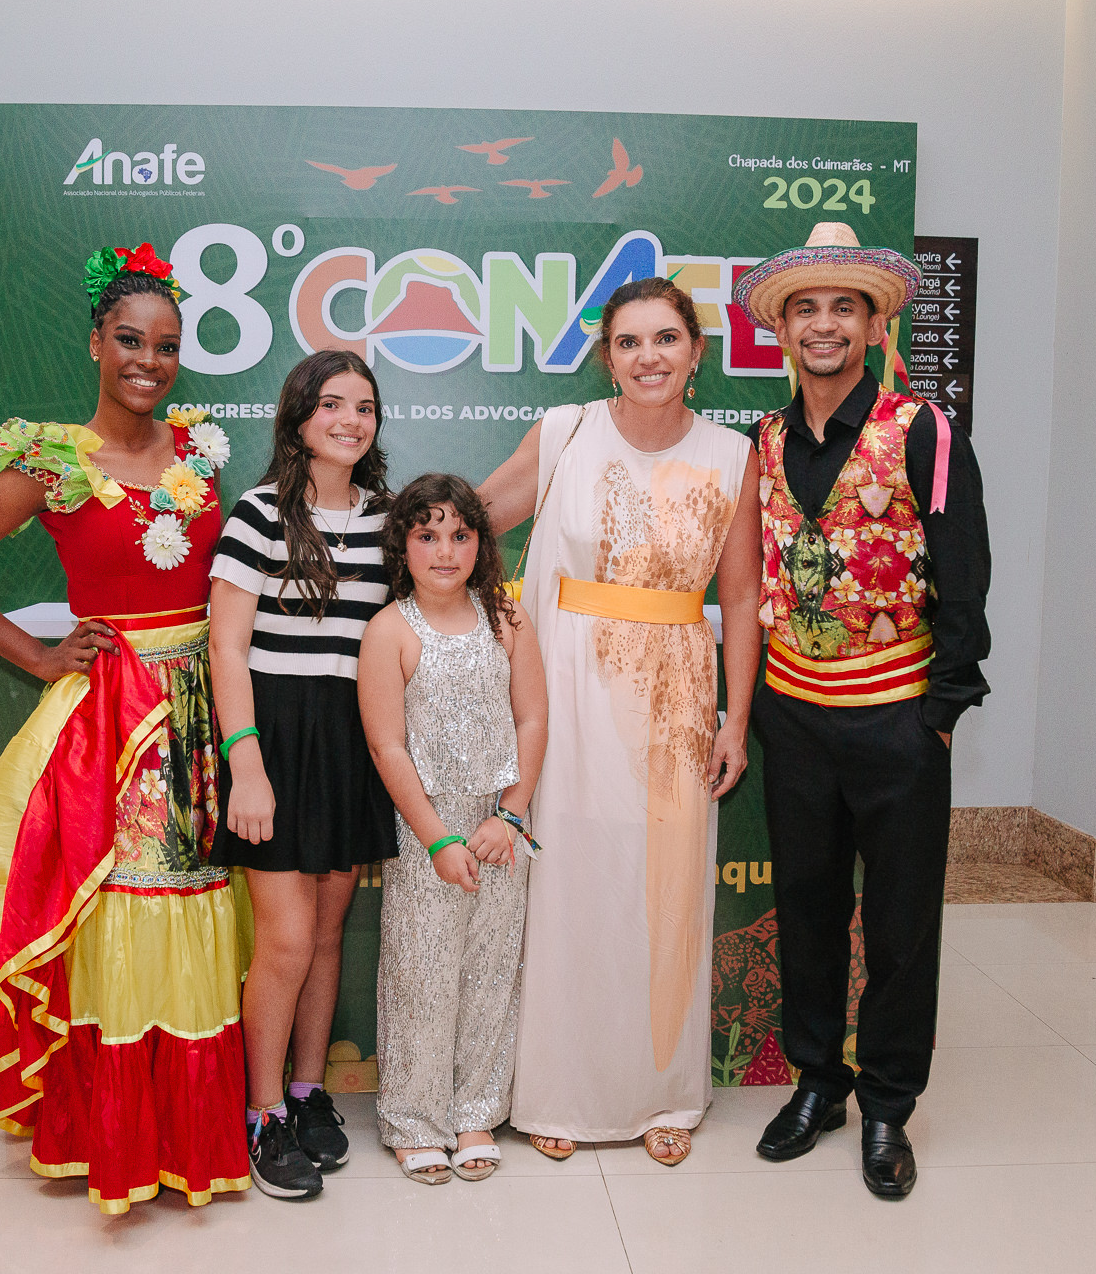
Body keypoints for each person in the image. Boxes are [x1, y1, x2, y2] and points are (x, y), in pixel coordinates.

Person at [0, 242, 245, 1213]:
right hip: (110, 715)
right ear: (97, 343)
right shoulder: (52, 462)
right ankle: (114, 1130)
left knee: (198, 895)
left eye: (167, 346)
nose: (149, 360)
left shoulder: (199, 450)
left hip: (201, 708)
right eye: (131, 340)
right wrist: (33, 652)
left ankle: (189, 1127)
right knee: (119, 905)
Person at [732, 222, 991, 1199]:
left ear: (876, 324)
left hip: (898, 721)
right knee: (806, 910)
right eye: (807, 308)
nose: (825, 324)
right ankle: (818, 1082)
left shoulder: (922, 431)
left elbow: (965, 574)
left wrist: (941, 711)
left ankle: (887, 1102)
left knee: (899, 924)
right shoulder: (761, 440)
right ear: (783, 329)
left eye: (845, 306)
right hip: (795, 717)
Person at [480, 276, 762, 1166]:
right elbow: (465, 527)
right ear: (608, 357)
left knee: (663, 894)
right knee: (569, 886)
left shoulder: (733, 455)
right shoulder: (565, 433)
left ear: (695, 351)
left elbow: (741, 598)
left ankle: (661, 1094)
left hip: (677, 700)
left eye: (666, 339)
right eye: (630, 342)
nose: (649, 357)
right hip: (563, 691)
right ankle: (557, 1090)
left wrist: (735, 721)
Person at [208, 349, 399, 1199]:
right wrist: (246, 764)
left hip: (351, 738)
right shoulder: (257, 515)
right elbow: (226, 647)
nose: (350, 420)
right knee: (285, 941)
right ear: (297, 417)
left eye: (364, 406)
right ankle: (261, 1114)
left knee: (326, 934)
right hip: (275, 739)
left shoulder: (387, 519)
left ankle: (307, 1091)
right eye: (332, 404)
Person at [358, 474, 549, 1185]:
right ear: (402, 545)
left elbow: (533, 717)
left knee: (491, 969)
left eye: (460, 535)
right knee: (423, 973)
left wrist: (510, 814)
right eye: (427, 535)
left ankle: (475, 1110)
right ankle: (415, 1119)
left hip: (499, 829)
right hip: (425, 831)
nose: (445, 551)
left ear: (480, 543)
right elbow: (388, 747)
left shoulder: (506, 618)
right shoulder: (390, 630)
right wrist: (437, 838)